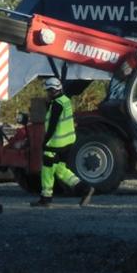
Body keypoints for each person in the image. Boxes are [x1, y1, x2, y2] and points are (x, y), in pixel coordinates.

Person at [32, 77, 95, 208]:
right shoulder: (65, 100)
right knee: (60, 169)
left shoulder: (56, 105)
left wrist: (45, 142)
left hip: (56, 143)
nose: (47, 94)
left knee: (47, 169)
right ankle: (84, 189)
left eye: (48, 91)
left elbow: (52, 126)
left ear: (51, 91)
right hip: (68, 142)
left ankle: (46, 198)